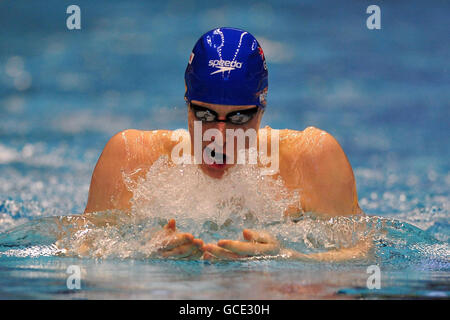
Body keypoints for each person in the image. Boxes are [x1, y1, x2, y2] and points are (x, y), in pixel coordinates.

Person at [82, 27, 370, 261]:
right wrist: (140, 253)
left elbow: (365, 255)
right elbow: (76, 252)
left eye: (239, 117)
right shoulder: (130, 157)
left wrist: (288, 257)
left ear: (262, 108)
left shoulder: (312, 159)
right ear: (187, 102)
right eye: (205, 115)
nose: (218, 138)